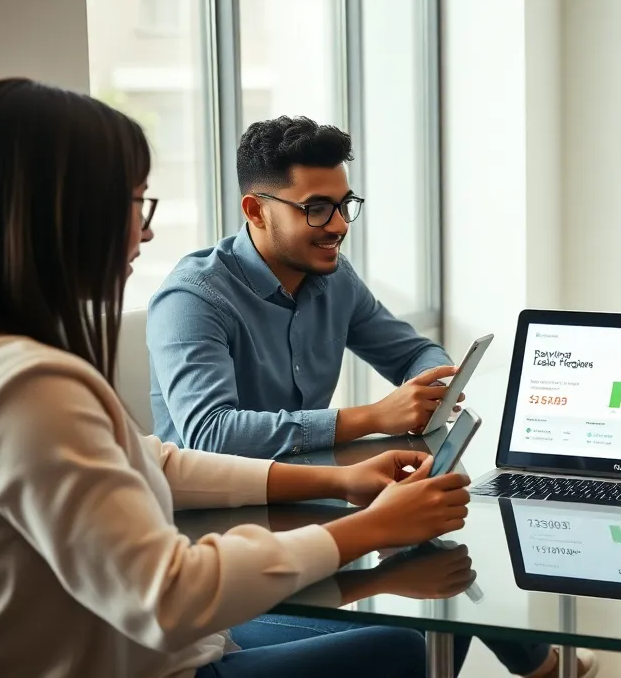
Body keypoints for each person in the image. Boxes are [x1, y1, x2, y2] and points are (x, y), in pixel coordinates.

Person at [0, 78, 475, 677]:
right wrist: (369, 527)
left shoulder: (3, 366)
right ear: (57, 214)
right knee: (408, 646)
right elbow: (169, 595)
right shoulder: (30, 390)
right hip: (165, 658)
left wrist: (345, 482)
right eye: (135, 203)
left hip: (191, 635)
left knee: (433, 617)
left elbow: (158, 461)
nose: (145, 231)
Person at [148, 116, 457, 460]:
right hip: (212, 494)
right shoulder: (192, 298)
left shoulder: (337, 278)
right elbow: (211, 434)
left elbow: (415, 354)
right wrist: (373, 417)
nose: (339, 225)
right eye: (317, 209)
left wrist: (431, 388)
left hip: (314, 481)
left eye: (343, 205)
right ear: (256, 211)